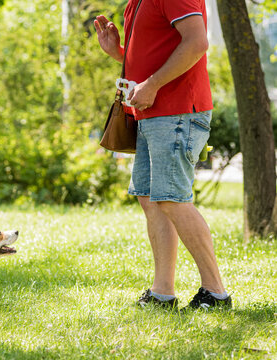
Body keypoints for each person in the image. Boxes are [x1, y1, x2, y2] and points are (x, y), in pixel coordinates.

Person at [94, 0, 231, 310]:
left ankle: (216, 293)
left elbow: (197, 42)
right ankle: (162, 292)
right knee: (151, 198)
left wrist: (153, 85)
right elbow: (155, 53)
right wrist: (119, 53)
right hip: (152, 114)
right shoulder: (136, 2)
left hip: (177, 111)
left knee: (171, 198)